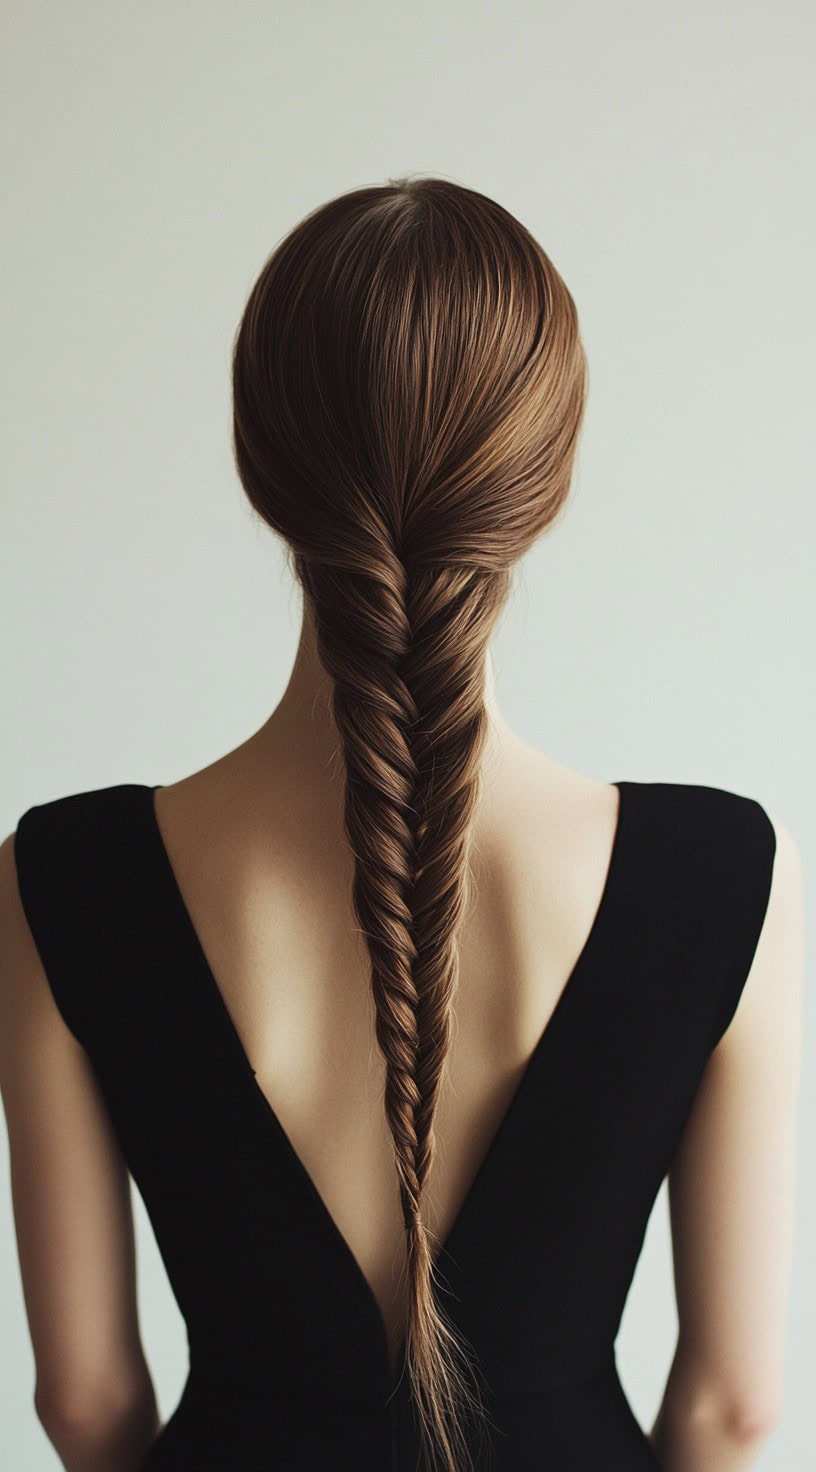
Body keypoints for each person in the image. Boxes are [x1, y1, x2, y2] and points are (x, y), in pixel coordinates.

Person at [0, 176, 803, 1472]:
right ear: (540, 478)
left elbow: (84, 1399)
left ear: (264, 462)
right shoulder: (722, 881)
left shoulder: (64, 879)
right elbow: (733, 1406)